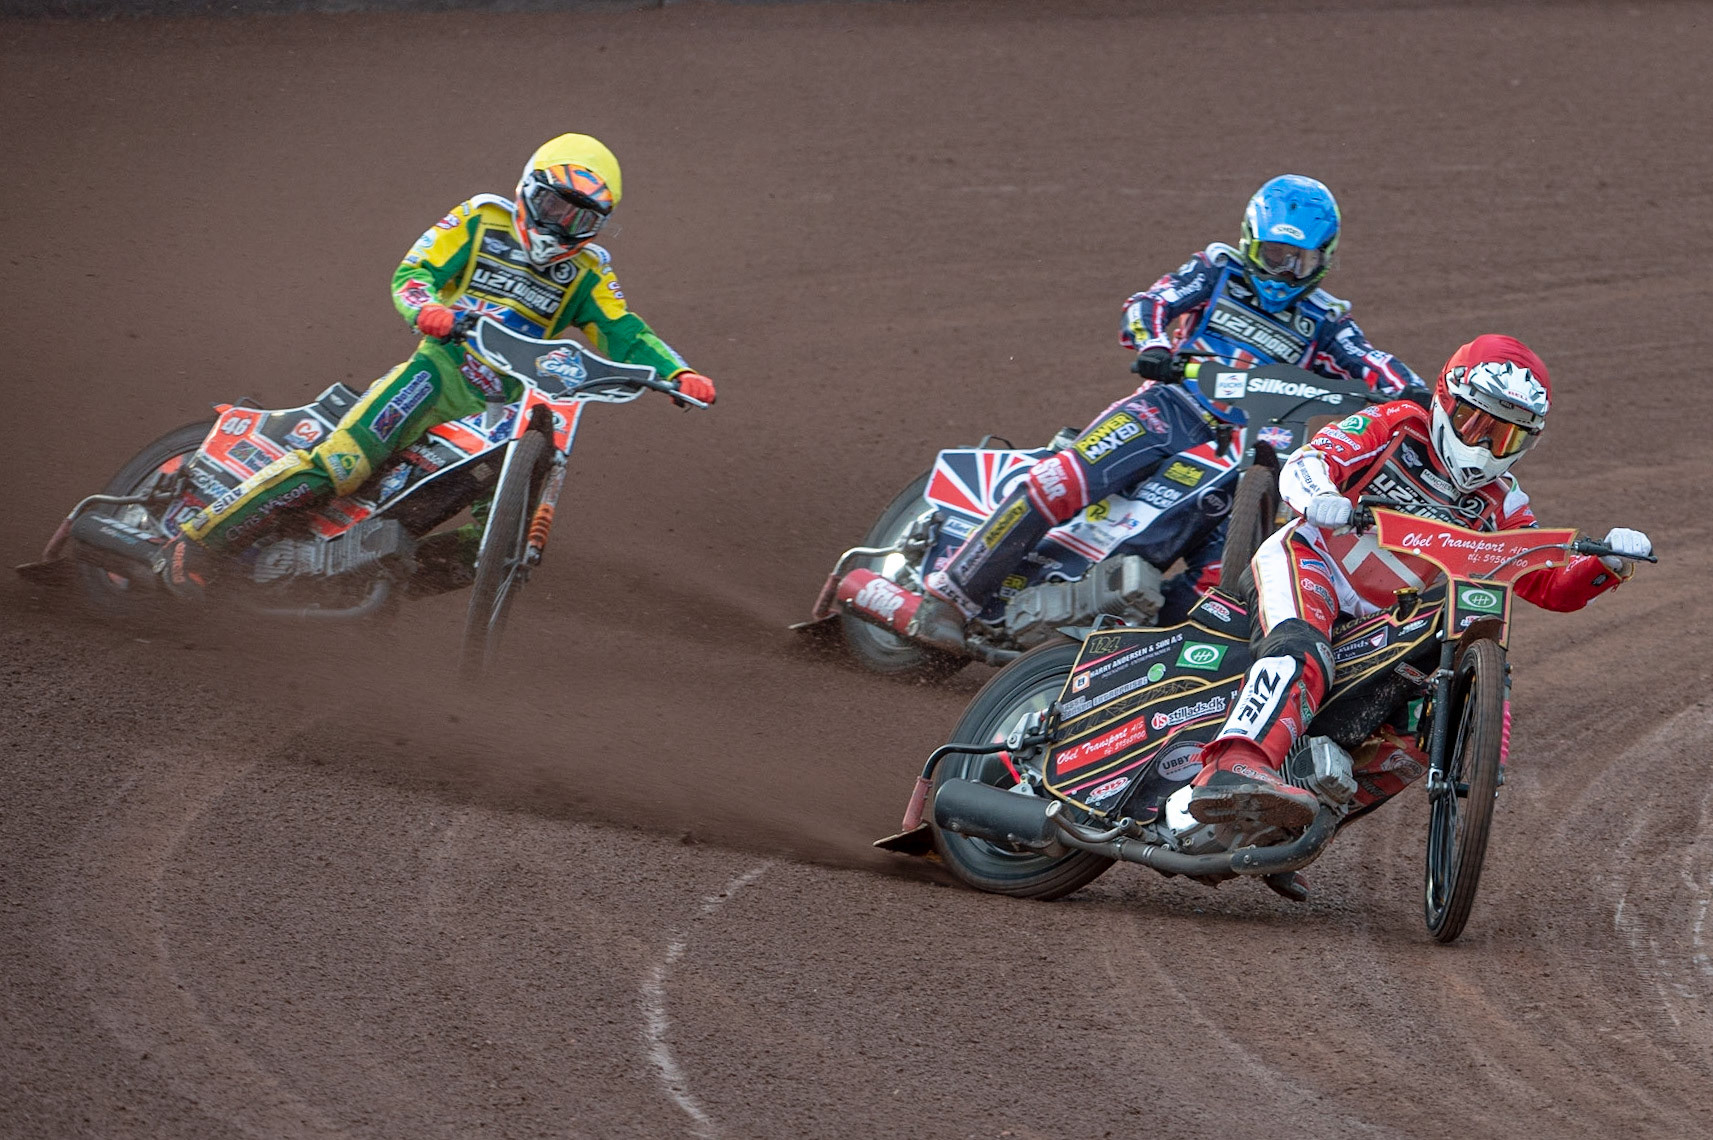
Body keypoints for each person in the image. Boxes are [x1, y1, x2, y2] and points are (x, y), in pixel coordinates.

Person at [156, 133, 715, 598]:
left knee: (491, 544)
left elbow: (626, 331)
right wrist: (428, 310)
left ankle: (365, 585)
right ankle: (200, 540)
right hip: (438, 376)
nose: (562, 226)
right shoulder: (480, 219)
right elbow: (413, 273)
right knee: (344, 464)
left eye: (582, 218)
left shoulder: (588, 273)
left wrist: (677, 373)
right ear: (528, 191)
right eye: (553, 207)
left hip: (505, 411)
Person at [919, 175, 1423, 642]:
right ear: (1251, 241)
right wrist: (1154, 344)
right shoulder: (1217, 270)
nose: (1285, 272)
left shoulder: (1326, 320)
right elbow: (1151, 302)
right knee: (1062, 480)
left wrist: (1418, 396)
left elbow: (1372, 362)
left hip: (1254, 452)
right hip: (1172, 406)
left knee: (1225, 577)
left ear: (1324, 260)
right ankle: (950, 599)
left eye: (1302, 261)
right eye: (1274, 255)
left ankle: (1127, 660)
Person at [1184, 334, 1653, 830]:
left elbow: (1543, 582)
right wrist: (1320, 495)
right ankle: (1235, 763)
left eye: (1507, 437)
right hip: (1309, 561)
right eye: (1478, 424)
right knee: (1304, 649)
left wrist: (1608, 565)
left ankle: (1296, 826)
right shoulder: (1396, 423)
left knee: (1418, 731)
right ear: (1448, 400)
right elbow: (1308, 460)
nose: (1486, 448)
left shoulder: (1503, 501)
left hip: (1381, 619)